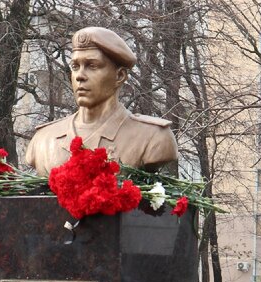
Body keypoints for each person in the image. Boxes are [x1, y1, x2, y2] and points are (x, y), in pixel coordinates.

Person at [23, 27, 179, 175]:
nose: (80, 76)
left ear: (120, 76)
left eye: (92, 66)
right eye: (75, 66)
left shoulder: (153, 137)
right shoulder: (43, 140)